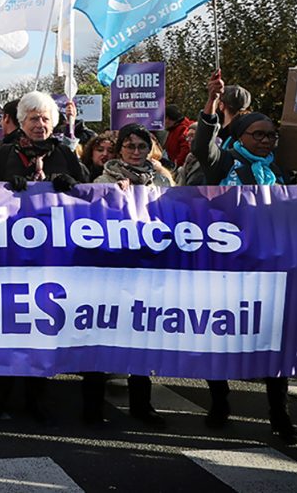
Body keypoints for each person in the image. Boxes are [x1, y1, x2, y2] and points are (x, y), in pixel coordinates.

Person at [193, 71, 297, 445]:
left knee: (275, 344)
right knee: (221, 339)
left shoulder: (282, 172)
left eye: (271, 135)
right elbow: (201, 147)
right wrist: (211, 102)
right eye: (259, 135)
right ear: (240, 137)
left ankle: (279, 415)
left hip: (271, 271)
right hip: (228, 270)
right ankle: (219, 405)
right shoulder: (226, 165)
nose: (267, 140)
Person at [0, 92, 87, 423]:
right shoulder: (3, 154)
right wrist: (5, 188)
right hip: (11, 255)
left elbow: (86, 195)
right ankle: (0, 394)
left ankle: (36, 396)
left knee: (43, 328)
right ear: (22, 123)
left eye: (45, 119)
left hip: (51, 258)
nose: (39, 125)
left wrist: (71, 184)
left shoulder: (65, 154)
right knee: (9, 326)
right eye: (33, 119)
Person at [82, 124, 171, 427]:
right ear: (119, 149)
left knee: (141, 338)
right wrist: (110, 197)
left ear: (149, 149)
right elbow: (91, 222)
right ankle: (92, 406)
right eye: (129, 146)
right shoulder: (103, 179)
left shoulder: (161, 180)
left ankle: (141, 405)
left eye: (141, 146)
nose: (135, 152)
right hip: (110, 271)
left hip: (147, 269)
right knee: (102, 336)